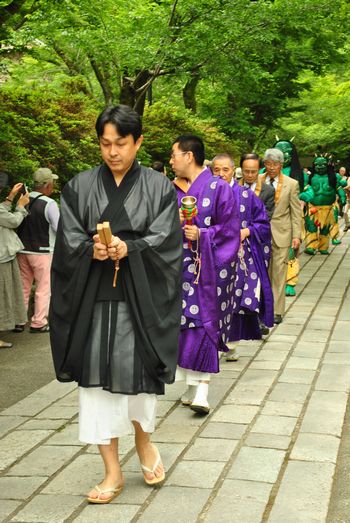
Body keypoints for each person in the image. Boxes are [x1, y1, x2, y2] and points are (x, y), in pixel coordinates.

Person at [49, 105, 182, 503]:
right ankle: (111, 471)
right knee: (95, 385)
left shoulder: (159, 187)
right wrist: (91, 250)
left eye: (120, 143)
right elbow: (68, 240)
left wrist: (132, 247)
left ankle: (144, 443)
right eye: (105, 144)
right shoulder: (80, 186)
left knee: (139, 382)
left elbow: (167, 241)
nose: (112, 152)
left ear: (138, 141)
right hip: (94, 298)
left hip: (139, 298)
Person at [171, 139, 240, 413]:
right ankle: (190, 385)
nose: (171, 161)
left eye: (174, 155)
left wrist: (202, 234)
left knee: (203, 323)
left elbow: (230, 229)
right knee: (183, 324)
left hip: (209, 272)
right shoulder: (171, 189)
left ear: (189, 156)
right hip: (177, 269)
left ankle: (202, 390)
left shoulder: (219, 187)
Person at [212, 154, 273, 355]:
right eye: (216, 170)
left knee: (235, 297)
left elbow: (263, 224)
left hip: (239, 256)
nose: (221, 174)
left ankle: (231, 342)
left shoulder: (246, 196)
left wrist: (246, 232)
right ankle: (213, 339)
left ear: (232, 171)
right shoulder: (204, 194)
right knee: (212, 297)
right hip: (211, 255)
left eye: (225, 170)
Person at [16, 168, 60, 333]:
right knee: (43, 287)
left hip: (22, 250)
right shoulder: (50, 204)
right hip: (43, 251)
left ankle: (19, 321)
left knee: (23, 286)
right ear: (48, 185)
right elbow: (59, 228)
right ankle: (38, 322)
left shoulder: (23, 200)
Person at [262, 149, 301, 324]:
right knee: (263, 271)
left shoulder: (291, 184)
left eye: (275, 164)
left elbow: (296, 211)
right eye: (268, 164)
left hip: (282, 233)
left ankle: (277, 311)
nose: (271, 167)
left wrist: (297, 235)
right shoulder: (258, 180)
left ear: (281, 165)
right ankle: (262, 307)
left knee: (279, 273)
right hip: (261, 233)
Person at [0, 174, 30, 348]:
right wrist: (20, 206)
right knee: (2, 296)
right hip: (2, 258)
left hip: (4, 256)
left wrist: (10, 197)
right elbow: (13, 221)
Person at [300, 156, 346, 254]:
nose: (320, 167)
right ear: (314, 165)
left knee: (325, 229)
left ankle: (323, 247)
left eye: (323, 164)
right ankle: (311, 247)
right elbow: (303, 189)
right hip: (313, 207)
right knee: (311, 227)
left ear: (327, 165)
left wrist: (343, 197)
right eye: (317, 165)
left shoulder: (334, 177)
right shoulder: (310, 177)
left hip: (328, 209)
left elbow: (339, 189)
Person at [239, 153, 275, 219]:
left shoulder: (269, 191)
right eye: (246, 171)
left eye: (253, 172)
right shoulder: (232, 188)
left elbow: (266, 216)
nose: (250, 175)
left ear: (259, 170)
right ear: (241, 170)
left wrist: (250, 229)